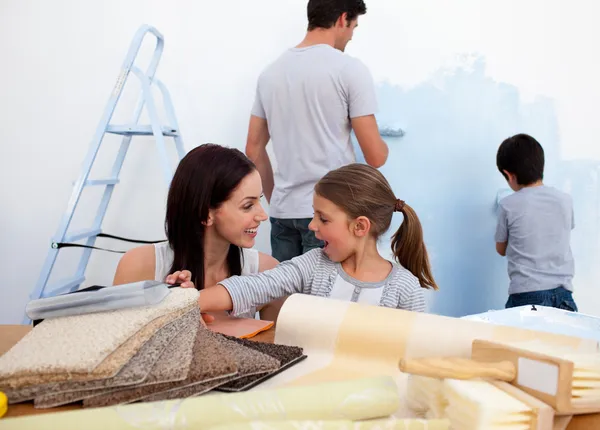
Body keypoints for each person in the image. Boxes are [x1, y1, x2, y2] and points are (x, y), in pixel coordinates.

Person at [180, 163, 438, 317]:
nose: (312, 225)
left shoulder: (406, 288)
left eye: (323, 219)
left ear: (360, 226)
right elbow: (252, 287)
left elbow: (418, 354)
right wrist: (186, 303)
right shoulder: (312, 265)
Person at [245, 0, 389, 264]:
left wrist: (279, 198)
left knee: (286, 300)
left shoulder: (270, 74)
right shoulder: (349, 69)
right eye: (353, 27)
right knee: (323, 303)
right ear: (343, 19)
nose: (351, 36)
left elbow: (253, 150)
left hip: (283, 212)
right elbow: (376, 157)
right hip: (330, 214)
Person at [113, 143, 281, 320]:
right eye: (248, 206)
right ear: (205, 214)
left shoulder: (268, 272)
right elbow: (117, 342)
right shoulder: (138, 267)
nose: (262, 215)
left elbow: (277, 347)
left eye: (259, 200)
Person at [495, 133, 578, 311]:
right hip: (564, 296)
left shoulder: (508, 204)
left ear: (509, 175)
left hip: (527, 297)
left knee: (518, 339)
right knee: (561, 339)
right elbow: (562, 230)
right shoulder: (565, 200)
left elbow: (500, 249)